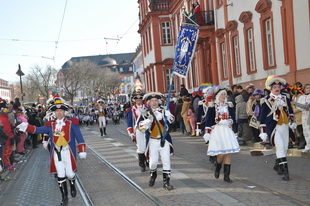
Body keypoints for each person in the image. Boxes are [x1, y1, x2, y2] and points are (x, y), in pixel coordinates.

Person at [17, 95, 87, 205]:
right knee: (60, 175)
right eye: (57, 111)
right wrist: (27, 127)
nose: (59, 113)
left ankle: (72, 184)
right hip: (56, 153)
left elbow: (79, 137)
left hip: (68, 152)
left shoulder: (71, 122)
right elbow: (39, 130)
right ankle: (64, 197)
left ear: (64, 111)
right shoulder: (51, 124)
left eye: (61, 110)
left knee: (69, 174)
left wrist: (82, 150)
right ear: (54, 112)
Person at [259, 76, 295, 181]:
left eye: (278, 86)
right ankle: (286, 172)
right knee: (279, 147)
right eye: (274, 87)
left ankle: (277, 164)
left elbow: (290, 110)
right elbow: (262, 117)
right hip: (273, 127)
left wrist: (292, 122)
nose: (277, 88)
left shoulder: (285, 97)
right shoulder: (265, 100)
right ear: (271, 89)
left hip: (284, 126)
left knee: (284, 148)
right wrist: (263, 132)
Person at [139, 92, 175, 190]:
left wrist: (169, 115)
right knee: (153, 162)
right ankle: (153, 175)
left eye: (156, 101)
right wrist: (147, 122)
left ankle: (166, 182)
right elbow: (140, 127)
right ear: (149, 102)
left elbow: (172, 121)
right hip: (153, 141)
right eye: (152, 101)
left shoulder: (164, 110)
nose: (154, 103)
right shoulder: (145, 112)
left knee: (166, 161)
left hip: (164, 140)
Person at [203, 88, 240, 183]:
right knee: (222, 152)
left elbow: (233, 118)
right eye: (222, 95)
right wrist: (207, 132)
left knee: (228, 153)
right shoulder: (212, 106)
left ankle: (227, 176)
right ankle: (218, 165)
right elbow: (208, 120)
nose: (224, 96)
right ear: (218, 96)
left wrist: (230, 123)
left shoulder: (229, 106)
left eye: (225, 95)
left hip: (227, 130)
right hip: (218, 131)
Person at [127, 91, 148, 172]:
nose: (138, 102)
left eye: (140, 100)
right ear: (135, 101)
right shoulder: (131, 110)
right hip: (138, 131)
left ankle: (148, 161)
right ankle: (142, 164)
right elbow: (129, 123)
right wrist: (131, 133)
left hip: (146, 130)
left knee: (147, 146)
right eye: (137, 101)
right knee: (140, 147)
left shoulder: (147, 108)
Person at [293, 84, 310, 152]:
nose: (308, 89)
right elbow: (300, 107)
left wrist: (296, 103)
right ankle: (308, 146)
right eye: (307, 88)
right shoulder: (301, 97)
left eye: (309, 88)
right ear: (304, 89)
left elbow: (307, 106)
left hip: (309, 115)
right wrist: (301, 106)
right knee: (305, 132)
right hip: (303, 115)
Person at [0, 99, 15, 171]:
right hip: (6, 138)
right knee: (6, 153)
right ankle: (7, 165)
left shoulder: (4, 118)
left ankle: (7, 165)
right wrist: (10, 136)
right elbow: (6, 130)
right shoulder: (4, 119)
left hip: (6, 138)